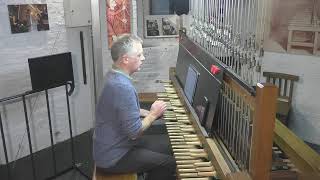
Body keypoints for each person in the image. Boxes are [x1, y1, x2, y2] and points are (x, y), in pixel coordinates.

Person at [93, 34, 176, 180]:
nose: (143, 58)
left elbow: (121, 109)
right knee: (168, 163)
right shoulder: (122, 86)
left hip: (112, 147)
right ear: (125, 59)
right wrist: (153, 114)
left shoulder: (113, 75)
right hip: (113, 157)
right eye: (139, 55)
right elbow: (134, 133)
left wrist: (145, 112)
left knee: (171, 149)